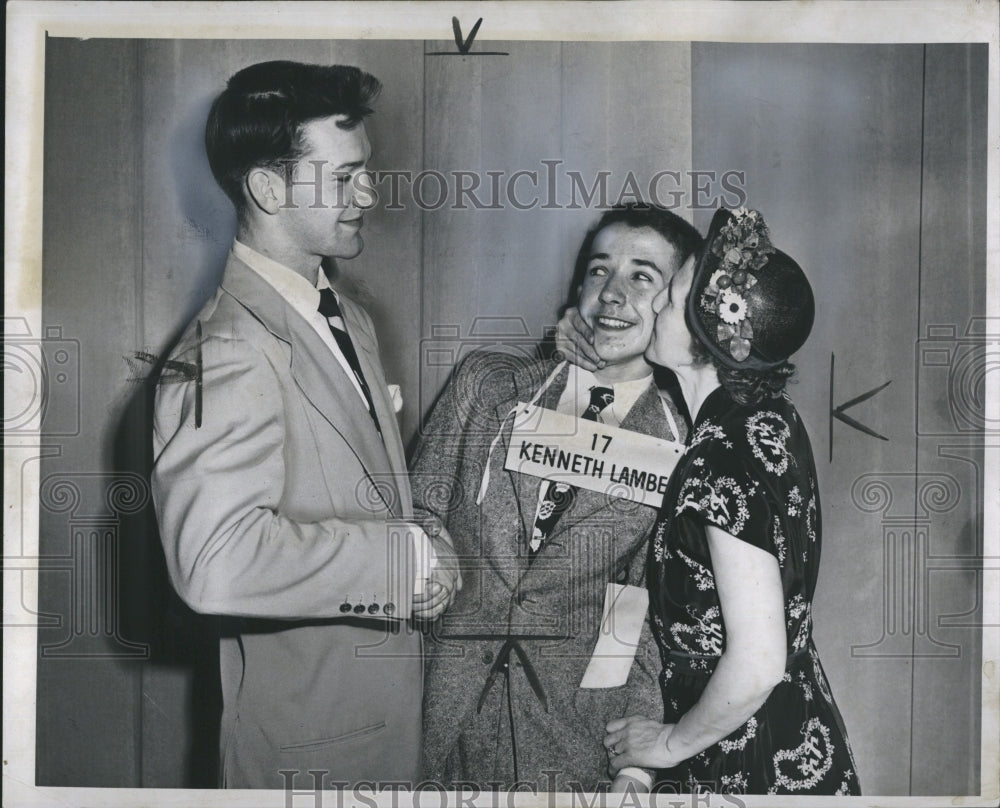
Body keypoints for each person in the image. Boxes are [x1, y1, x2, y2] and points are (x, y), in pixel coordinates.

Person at [151, 60, 460, 789]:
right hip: (309, 759)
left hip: (382, 731)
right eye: (345, 176)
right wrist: (402, 561)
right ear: (268, 188)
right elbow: (215, 562)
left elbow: (365, 496)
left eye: (365, 171)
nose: (369, 193)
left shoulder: (345, 314)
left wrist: (430, 544)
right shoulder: (225, 350)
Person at [411, 203, 701, 791]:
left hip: (570, 741)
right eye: (599, 270)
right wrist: (419, 562)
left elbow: (639, 616)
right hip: (437, 716)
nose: (612, 293)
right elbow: (414, 512)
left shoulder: (681, 445)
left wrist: (635, 768)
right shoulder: (487, 386)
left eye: (642, 276)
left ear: (678, 304)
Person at [591, 207, 861, 795]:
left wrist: (667, 745)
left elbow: (759, 661)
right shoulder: (768, 416)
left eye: (670, 299)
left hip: (745, 763)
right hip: (793, 733)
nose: (654, 306)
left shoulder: (719, 457)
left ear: (704, 339)